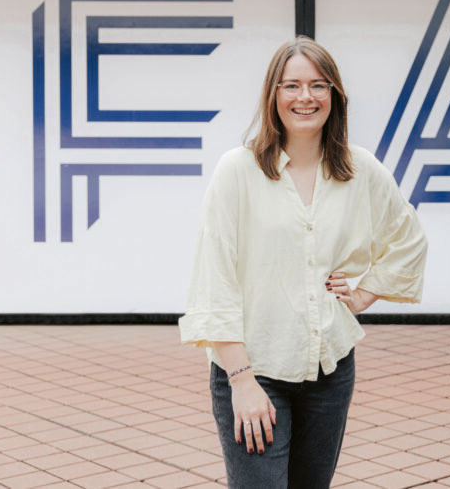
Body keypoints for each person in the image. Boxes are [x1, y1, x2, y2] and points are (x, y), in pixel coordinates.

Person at [179, 37, 428, 488]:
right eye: (291, 85)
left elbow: (408, 237)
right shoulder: (238, 171)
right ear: (273, 95)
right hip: (255, 369)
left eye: (318, 85)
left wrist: (363, 295)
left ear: (334, 94)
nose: (305, 97)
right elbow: (214, 280)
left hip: (329, 372)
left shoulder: (359, 169)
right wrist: (241, 380)